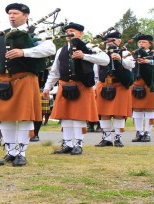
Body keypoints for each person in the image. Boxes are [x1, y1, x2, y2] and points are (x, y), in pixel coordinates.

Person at [0, 3, 56, 167]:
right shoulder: (0, 36)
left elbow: (50, 49)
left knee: (24, 117)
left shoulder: (36, 32)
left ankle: (21, 153)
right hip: (1, 81)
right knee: (4, 118)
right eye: (9, 14)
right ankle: (10, 153)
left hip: (24, 79)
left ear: (26, 15)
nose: (11, 16)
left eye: (15, 13)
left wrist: (25, 52)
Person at [43, 22, 109, 155]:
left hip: (82, 86)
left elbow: (105, 60)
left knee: (79, 117)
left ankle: (78, 144)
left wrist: (85, 56)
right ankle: (67, 144)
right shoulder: (61, 50)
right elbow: (55, 71)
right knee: (65, 117)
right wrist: (47, 87)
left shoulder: (90, 46)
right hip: (65, 85)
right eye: (67, 31)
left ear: (80, 33)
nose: (69, 33)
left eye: (72, 31)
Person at [94, 31, 134, 147]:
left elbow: (131, 65)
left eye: (113, 40)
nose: (109, 42)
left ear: (119, 41)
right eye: (107, 40)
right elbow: (95, 71)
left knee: (119, 114)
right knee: (103, 113)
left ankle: (118, 138)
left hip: (120, 85)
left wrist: (120, 59)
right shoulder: (101, 53)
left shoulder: (125, 52)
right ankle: (106, 138)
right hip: (104, 84)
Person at [127, 34, 154, 142]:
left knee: (149, 108)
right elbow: (128, 65)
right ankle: (139, 132)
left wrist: (149, 61)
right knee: (137, 109)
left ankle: (147, 133)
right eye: (139, 42)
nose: (141, 44)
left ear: (150, 43)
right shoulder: (133, 55)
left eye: (143, 42)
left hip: (151, 83)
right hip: (136, 82)